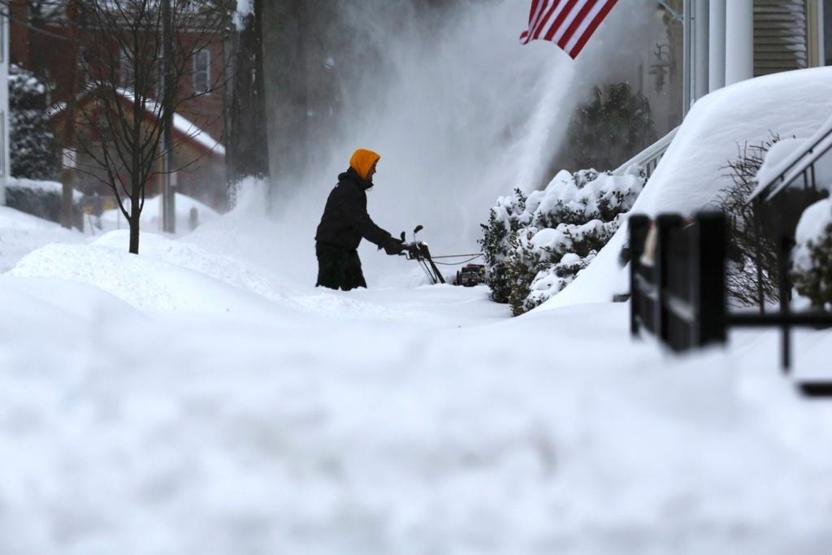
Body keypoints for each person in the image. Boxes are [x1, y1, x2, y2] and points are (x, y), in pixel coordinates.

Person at [314, 148, 405, 290]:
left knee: (358, 292)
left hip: (345, 249)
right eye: (372, 167)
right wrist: (385, 240)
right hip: (332, 249)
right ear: (363, 165)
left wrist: (387, 240)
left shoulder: (353, 188)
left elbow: (361, 222)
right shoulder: (348, 189)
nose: (375, 171)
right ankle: (304, 313)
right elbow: (361, 222)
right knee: (326, 294)